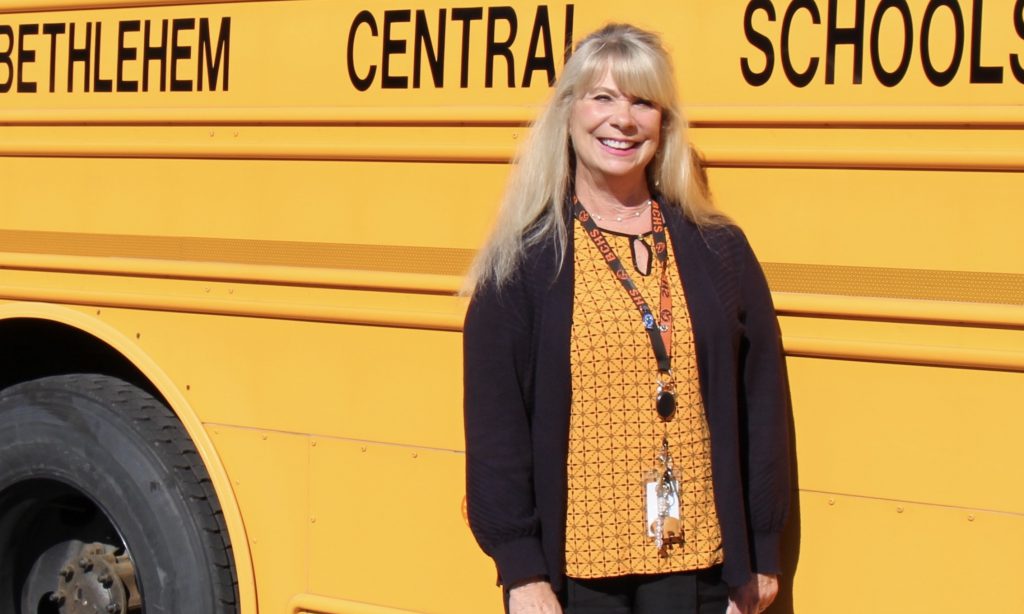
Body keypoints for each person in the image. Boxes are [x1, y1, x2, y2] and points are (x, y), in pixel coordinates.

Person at [463, 23, 791, 614]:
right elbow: (496, 424)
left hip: (699, 567)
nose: (624, 119)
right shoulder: (525, 260)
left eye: (643, 102)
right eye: (603, 98)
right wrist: (521, 571)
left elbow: (762, 405)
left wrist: (762, 549)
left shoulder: (719, 250)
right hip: (576, 577)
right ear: (568, 113)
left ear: (662, 124)